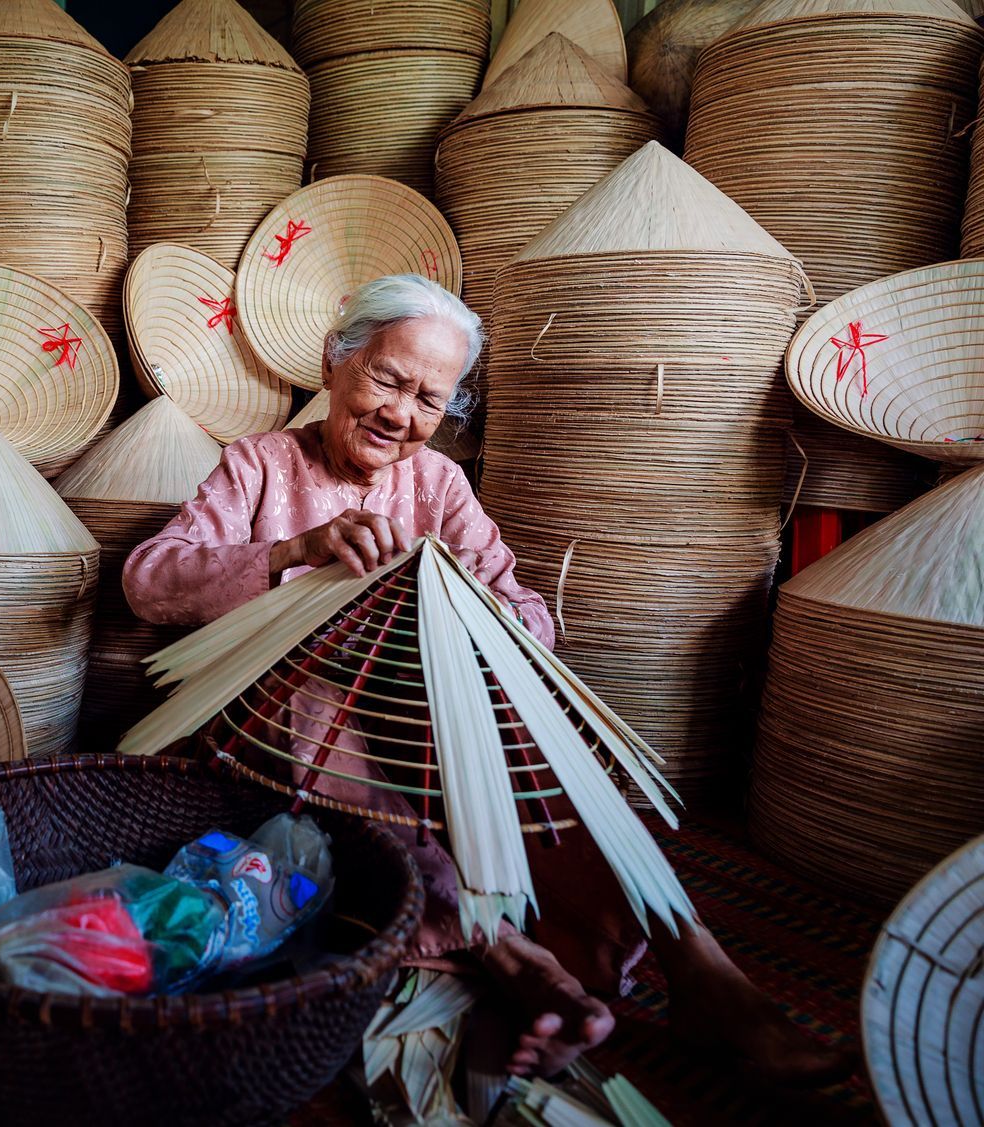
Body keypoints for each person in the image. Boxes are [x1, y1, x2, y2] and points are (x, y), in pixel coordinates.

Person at [122, 274, 850, 1085]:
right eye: (387, 378)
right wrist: (295, 551)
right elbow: (149, 580)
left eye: (429, 399)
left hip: (426, 712)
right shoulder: (259, 464)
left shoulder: (438, 484)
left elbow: (529, 616)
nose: (401, 413)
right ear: (334, 362)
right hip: (283, 723)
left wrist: (464, 604)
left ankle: (696, 962)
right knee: (337, 722)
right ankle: (508, 954)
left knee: (546, 752)